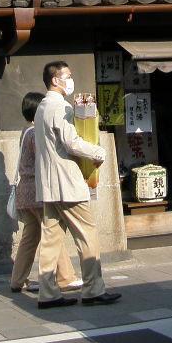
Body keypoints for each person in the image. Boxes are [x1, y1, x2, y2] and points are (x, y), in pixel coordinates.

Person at [33, 61, 121, 309]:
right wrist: (98, 152)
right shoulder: (60, 107)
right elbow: (71, 142)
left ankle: (47, 293)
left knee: (50, 239)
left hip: (49, 184)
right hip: (68, 183)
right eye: (67, 76)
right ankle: (93, 289)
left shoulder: (42, 107)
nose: (71, 80)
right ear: (55, 80)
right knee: (87, 234)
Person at [9, 91, 80, 295]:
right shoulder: (35, 133)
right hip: (37, 192)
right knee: (53, 233)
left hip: (25, 193)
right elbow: (44, 160)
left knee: (30, 238)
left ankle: (17, 279)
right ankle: (66, 277)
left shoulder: (25, 132)